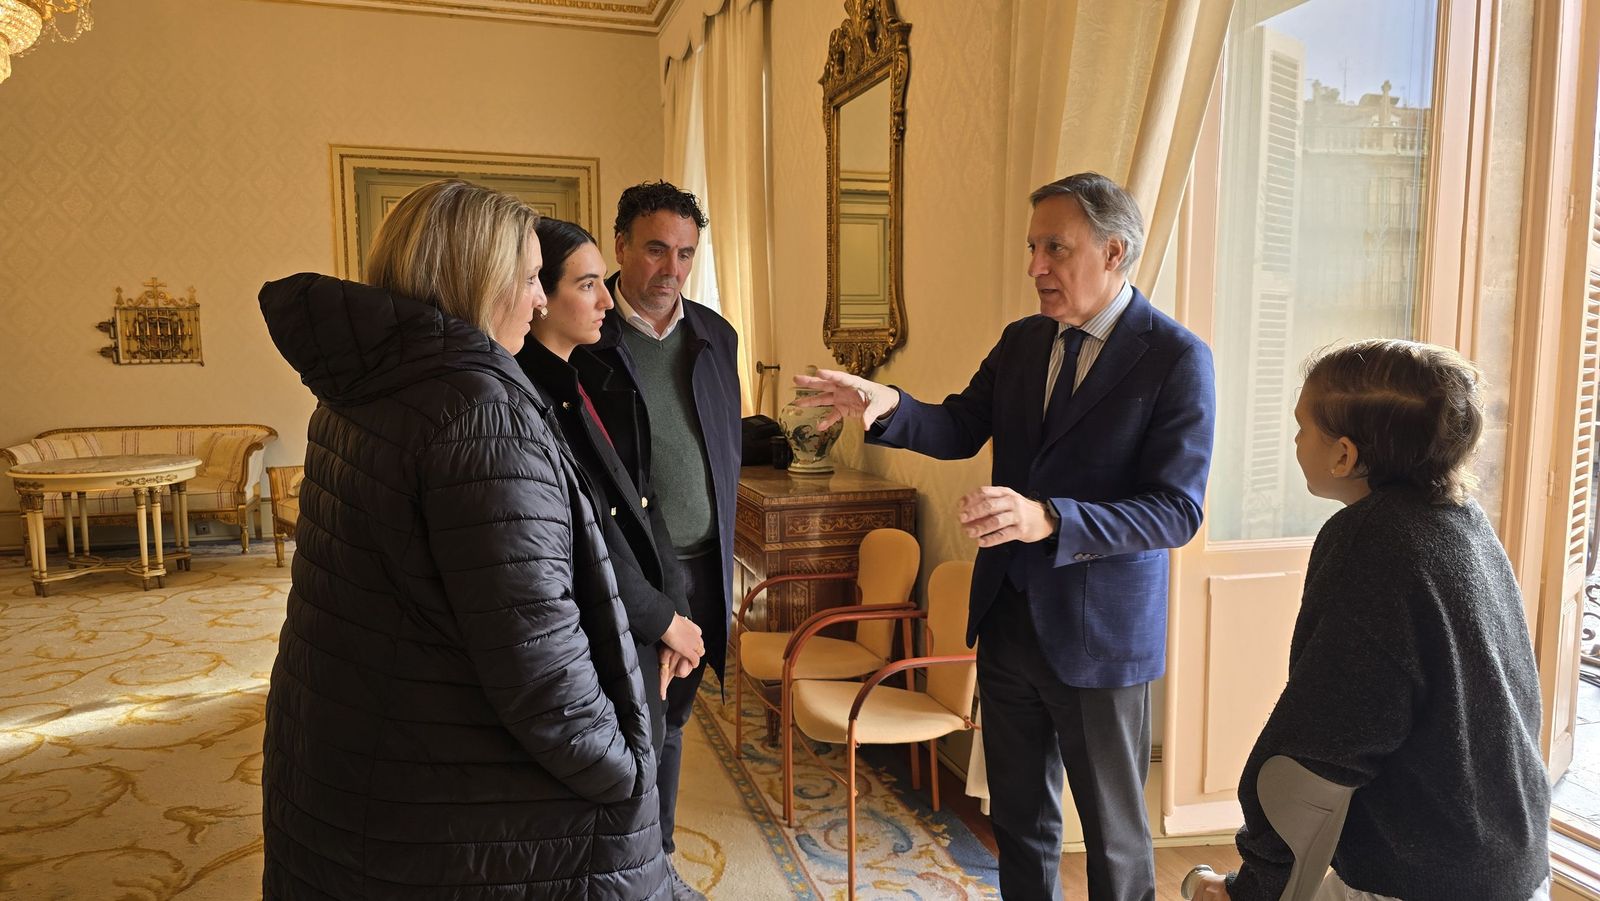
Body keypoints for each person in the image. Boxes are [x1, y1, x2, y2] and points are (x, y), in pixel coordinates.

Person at [797, 171, 1216, 901]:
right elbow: (961, 424)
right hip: (1007, 618)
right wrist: (887, 402)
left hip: (1100, 639)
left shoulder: (1177, 358)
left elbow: (1175, 510)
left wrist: (1051, 517)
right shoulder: (1024, 342)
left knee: (1114, 836)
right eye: (1032, 246)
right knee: (1020, 821)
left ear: (1115, 252)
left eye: (1055, 246)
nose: (1035, 267)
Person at [258, 180, 666, 900]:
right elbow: (541, 665)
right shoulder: (479, 414)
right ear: (477, 277)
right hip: (456, 801)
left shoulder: (361, 389)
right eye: (531, 277)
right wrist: (628, 765)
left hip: (360, 758)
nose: (540, 300)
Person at [1190, 340, 1550, 901]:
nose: (1294, 440)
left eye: (1302, 427)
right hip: (1510, 863)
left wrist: (1253, 889)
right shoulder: (1461, 521)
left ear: (1343, 455)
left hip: (1427, 879)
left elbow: (1318, 745)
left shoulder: (1372, 540)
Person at [580, 181, 741, 901]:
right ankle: (620, 859)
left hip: (703, 567)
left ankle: (658, 859)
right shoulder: (585, 336)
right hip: (629, 574)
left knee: (675, 717)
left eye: (684, 252)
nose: (670, 268)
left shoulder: (717, 335)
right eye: (654, 248)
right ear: (619, 245)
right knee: (625, 720)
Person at [513, 217, 706, 757]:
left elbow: (643, 503)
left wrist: (675, 612)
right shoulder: (525, 396)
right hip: (604, 624)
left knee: (661, 748)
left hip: (644, 613)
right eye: (587, 284)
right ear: (539, 296)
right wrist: (664, 618)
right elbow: (578, 536)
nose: (605, 300)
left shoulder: (589, 377)